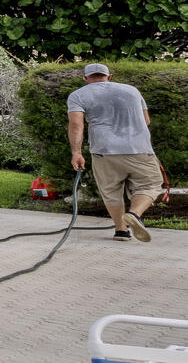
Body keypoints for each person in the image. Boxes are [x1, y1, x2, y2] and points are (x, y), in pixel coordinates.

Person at [67, 62, 162, 242]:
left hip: (104, 150)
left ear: (85, 78)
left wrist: (76, 153)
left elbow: (76, 125)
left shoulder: (78, 95)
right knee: (149, 185)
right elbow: (146, 120)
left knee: (111, 190)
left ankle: (121, 230)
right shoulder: (132, 91)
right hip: (139, 148)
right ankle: (134, 214)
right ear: (109, 76)